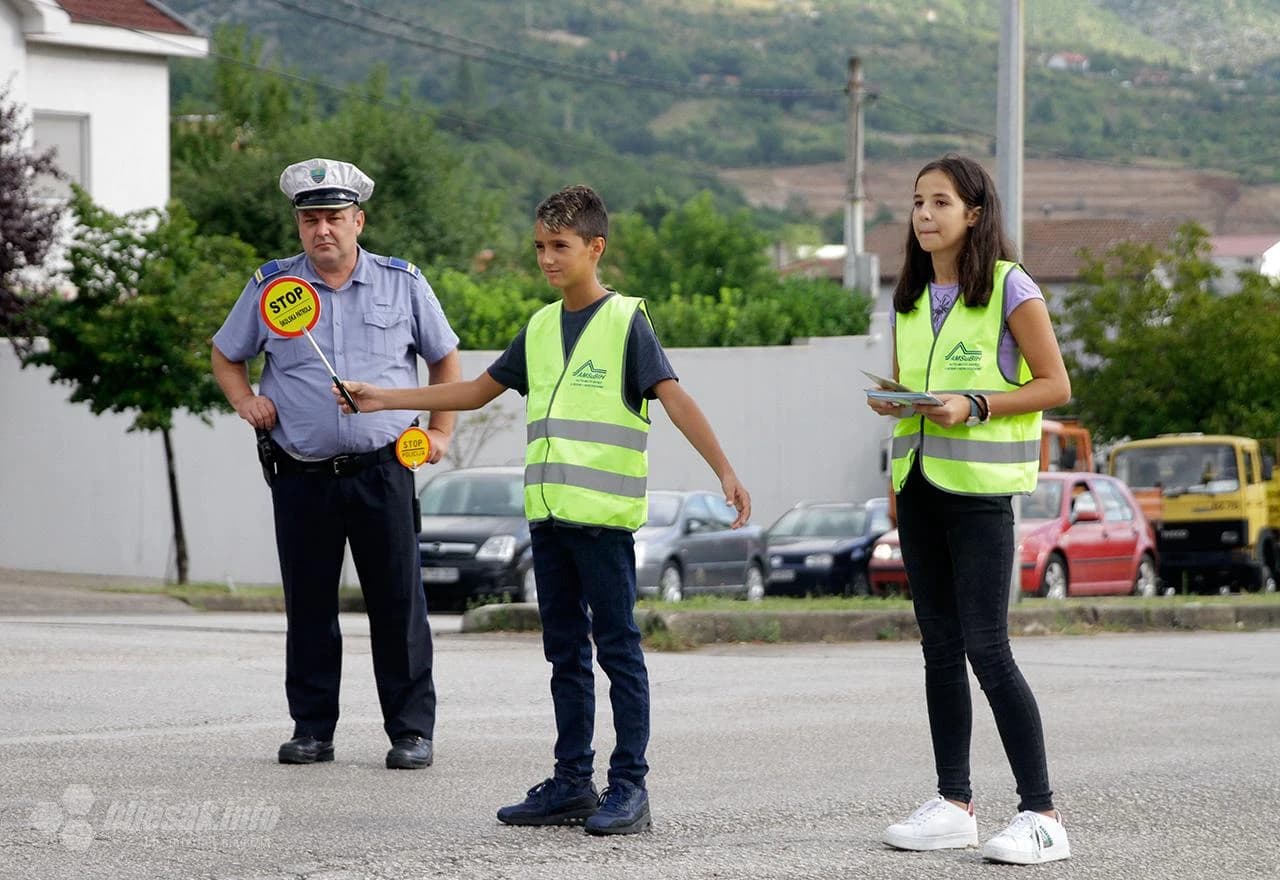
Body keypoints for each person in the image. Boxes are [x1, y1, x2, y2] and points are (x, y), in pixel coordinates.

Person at [334, 184, 751, 835]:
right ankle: (571, 784)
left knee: (618, 651)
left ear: (595, 248)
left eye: (561, 246)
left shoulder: (624, 322)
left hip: (603, 523)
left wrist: (723, 468)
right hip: (549, 522)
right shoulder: (539, 327)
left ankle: (629, 787)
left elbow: (673, 397)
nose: (548, 259)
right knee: (564, 654)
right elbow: (473, 391)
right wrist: (381, 399)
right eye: (539, 247)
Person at [211, 157, 462, 770]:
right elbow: (225, 353)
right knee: (310, 604)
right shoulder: (273, 289)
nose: (322, 229)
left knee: (398, 603)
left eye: (334, 218)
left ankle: (410, 731)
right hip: (303, 473)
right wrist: (247, 399)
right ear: (299, 225)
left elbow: (445, 359)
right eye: (310, 219)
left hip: (382, 468)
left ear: (359, 221)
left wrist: (440, 431)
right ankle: (311, 729)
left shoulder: (403, 283)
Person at [866, 154, 1073, 865]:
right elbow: (919, 389)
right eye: (918, 202)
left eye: (940, 202)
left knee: (987, 648)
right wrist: (894, 402)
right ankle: (954, 803)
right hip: (920, 484)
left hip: (981, 495)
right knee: (938, 649)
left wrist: (975, 403)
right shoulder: (911, 296)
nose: (924, 214)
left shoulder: (1012, 286)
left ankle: (1042, 814)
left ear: (975, 213)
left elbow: (1055, 385)